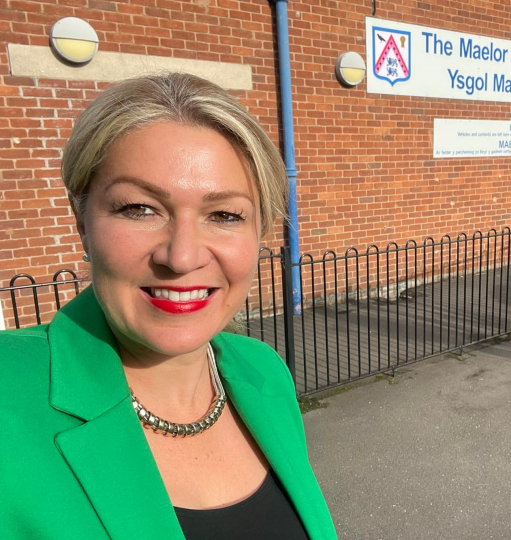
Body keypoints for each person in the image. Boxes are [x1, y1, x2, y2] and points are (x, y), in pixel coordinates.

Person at [0, 73, 338, 540]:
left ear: (260, 232)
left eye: (223, 215)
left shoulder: (265, 373)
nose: (181, 258)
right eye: (139, 208)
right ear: (82, 220)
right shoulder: (9, 395)